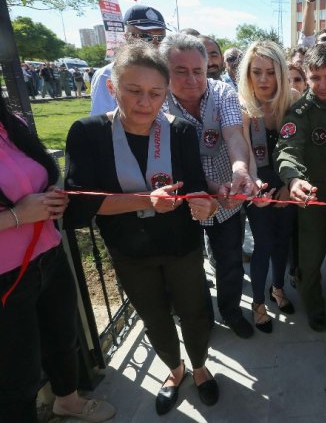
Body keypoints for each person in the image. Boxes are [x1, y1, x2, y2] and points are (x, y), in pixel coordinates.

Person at [65, 42, 219, 416]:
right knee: (154, 316)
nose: (144, 103)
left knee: (195, 311)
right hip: (129, 251)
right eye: (134, 91)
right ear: (112, 89)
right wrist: (144, 200)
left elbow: (198, 188)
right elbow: (80, 203)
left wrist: (207, 203)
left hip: (181, 244)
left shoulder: (180, 131)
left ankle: (198, 367)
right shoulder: (87, 133)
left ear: (165, 95)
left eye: (155, 93)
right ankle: (174, 369)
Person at [1, 94, 116, 423]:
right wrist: (16, 216)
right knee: (17, 374)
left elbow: (36, 179)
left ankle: (68, 400)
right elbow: (21, 207)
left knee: (63, 339)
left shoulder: (13, 125)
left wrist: (54, 198)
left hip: (48, 256)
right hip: (6, 278)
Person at [159, 32, 258, 339]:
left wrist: (240, 169)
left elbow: (232, 134)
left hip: (227, 197)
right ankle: (196, 316)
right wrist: (209, 188)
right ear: (164, 71)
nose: (192, 79)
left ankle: (230, 312)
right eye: (180, 71)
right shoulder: (157, 101)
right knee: (185, 267)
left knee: (229, 260)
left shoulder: (223, 93)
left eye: (197, 71)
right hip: (181, 198)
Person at [274, 43, 326, 332]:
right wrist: (294, 179)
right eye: (315, 77)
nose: (323, 84)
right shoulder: (300, 112)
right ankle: (314, 305)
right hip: (314, 197)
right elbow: (287, 150)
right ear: (306, 77)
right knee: (310, 259)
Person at [237, 40, 298, 333]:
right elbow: (246, 151)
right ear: (247, 73)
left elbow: (302, 148)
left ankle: (278, 288)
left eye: (270, 72)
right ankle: (257, 302)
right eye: (256, 72)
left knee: (283, 240)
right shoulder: (244, 106)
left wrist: (289, 186)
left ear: (281, 74)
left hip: (287, 182)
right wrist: (254, 186)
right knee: (263, 243)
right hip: (256, 184)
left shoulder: (294, 99)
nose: (263, 79)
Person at [89, 5, 168, 116]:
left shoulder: (165, 70)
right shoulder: (107, 74)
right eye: (145, 36)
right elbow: (102, 122)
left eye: (160, 37)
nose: (154, 42)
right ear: (126, 36)